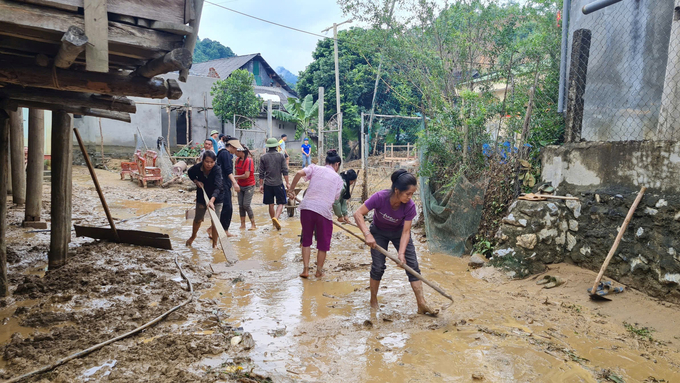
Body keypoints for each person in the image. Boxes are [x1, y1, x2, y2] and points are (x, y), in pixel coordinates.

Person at [353, 169, 437, 316]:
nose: (410, 197)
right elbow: (358, 213)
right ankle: (373, 301)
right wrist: (367, 234)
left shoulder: (409, 206)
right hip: (378, 232)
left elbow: (406, 232)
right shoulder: (380, 197)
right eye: (408, 194)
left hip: (399, 233)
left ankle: (421, 304)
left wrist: (401, 253)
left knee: (412, 266)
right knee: (378, 267)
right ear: (397, 190)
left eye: (412, 194)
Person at [288, 150, 343, 278]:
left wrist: (291, 190)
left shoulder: (315, 168)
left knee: (306, 240)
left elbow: (298, 173)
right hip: (323, 212)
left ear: (325, 162)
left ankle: (306, 270)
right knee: (323, 243)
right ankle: (318, 271)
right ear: (337, 164)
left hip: (307, 208)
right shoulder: (338, 179)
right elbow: (335, 199)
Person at [186, 151, 223, 247]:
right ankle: (193, 236)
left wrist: (211, 201)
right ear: (202, 161)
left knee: (215, 221)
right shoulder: (197, 168)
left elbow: (218, 187)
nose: (209, 164)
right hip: (202, 195)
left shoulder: (217, 170)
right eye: (207, 161)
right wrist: (196, 181)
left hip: (217, 197)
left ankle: (215, 244)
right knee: (198, 219)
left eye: (212, 162)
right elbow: (189, 173)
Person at [260, 137, 289, 230]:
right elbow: (285, 171)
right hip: (278, 183)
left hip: (267, 184)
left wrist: (261, 185)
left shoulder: (263, 157)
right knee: (281, 203)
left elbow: (261, 173)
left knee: (271, 204)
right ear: (276, 146)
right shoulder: (281, 156)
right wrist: (288, 183)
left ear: (268, 147)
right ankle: (276, 218)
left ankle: (273, 222)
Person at [216, 136, 242, 237]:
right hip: (223, 185)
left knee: (226, 207)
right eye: (235, 148)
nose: (236, 150)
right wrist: (235, 183)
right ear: (230, 146)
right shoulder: (225, 154)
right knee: (228, 208)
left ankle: (216, 229)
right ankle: (223, 231)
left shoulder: (223, 153)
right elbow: (227, 170)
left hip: (223, 184)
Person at [234, 144, 257, 230]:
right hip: (240, 185)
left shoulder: (249, 160)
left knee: (246, 205)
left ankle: (253, 224)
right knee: (240, 205)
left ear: (241, 152)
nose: (235, 153)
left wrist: (234, 178)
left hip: (249, 185)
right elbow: (237, 172)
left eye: (237, 151)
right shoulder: (237, 160)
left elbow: (246, 175)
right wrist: (235, 182)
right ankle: (242, 224)